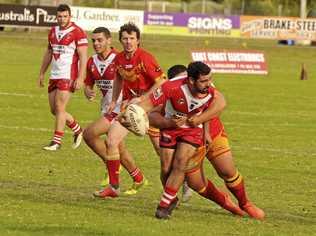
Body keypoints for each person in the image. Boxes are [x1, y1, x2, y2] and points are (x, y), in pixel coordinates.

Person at [149, 64, 265, 220]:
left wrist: (206, 130)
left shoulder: (206, 85)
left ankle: (245, 203)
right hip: (188, 136)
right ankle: (231, 207)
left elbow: (215, 106)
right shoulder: (170, 93)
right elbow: (154, 115)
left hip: (213, 133)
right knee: (197, 184)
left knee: (227, 171)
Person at [130, 61, 227, 219]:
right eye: (203, 80)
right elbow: (147, 106)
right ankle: (171, 197)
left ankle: (163, 207)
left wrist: (202, 124)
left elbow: (220, 104)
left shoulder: (209, 89)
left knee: (180, 162)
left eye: (209, 79)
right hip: (171, 127)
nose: (208, 84)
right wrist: (134, 115)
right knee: (166, 169)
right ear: (191, 80)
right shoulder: (171, 87)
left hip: (193, 130)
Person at [96, 23, 166, 198]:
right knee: (112, 140)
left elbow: (162, 81)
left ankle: (182, 182)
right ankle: (114, 187)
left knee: (162, 151)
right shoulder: (119, 58)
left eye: (132, 38)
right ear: (120, 40)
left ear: (138, 40)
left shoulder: (145, 57)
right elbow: (119, 79)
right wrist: (114, 101)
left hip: (152, 108)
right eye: (125, 39)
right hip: (131, 108)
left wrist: (143, 98)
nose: (128, 42)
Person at [82, 27, 146, 197]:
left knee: (88, 134)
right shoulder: (91, 61)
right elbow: (88, 83)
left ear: (109, 41)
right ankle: (138, 178)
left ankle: (112, 174)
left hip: (121, 109)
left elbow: (135, 79)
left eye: (100, 40)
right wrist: (87, 90)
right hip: (107, 108)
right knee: (118, 147)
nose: (96, 43)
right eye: (93, 40)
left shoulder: (119, 58)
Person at [37, 4, 88, 151]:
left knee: (60, 107)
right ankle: (78, 130)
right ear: (56, 17)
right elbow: (48, 52)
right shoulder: (53, 31)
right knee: (55, 110)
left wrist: (80, 77)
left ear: (70, 16)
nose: (62, 19)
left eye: (65, 16)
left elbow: (84, 56)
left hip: (68, 75)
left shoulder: (78, 32)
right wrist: (42, 72)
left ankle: (56, 142)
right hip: (54, 75)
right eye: (59, 16)